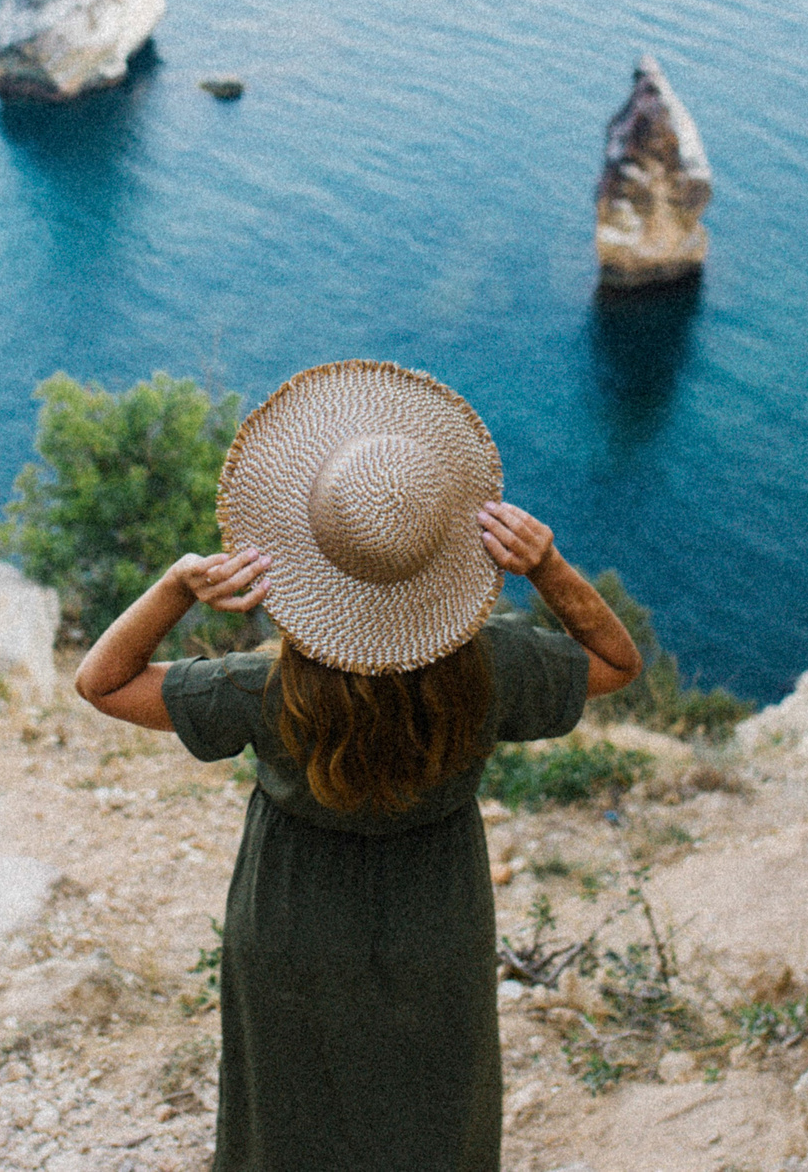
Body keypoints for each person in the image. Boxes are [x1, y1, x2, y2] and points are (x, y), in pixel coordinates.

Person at [74, 360, 641, 1172]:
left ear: (311, 564)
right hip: (436, 913)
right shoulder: (495, 667)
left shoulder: (263, 688)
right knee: (435, 1114)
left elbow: (102, 681)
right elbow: (616, 662)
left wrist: (177, 586)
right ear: (442, 546)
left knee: (289, 1121)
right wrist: (545, 564)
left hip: (291, 916)